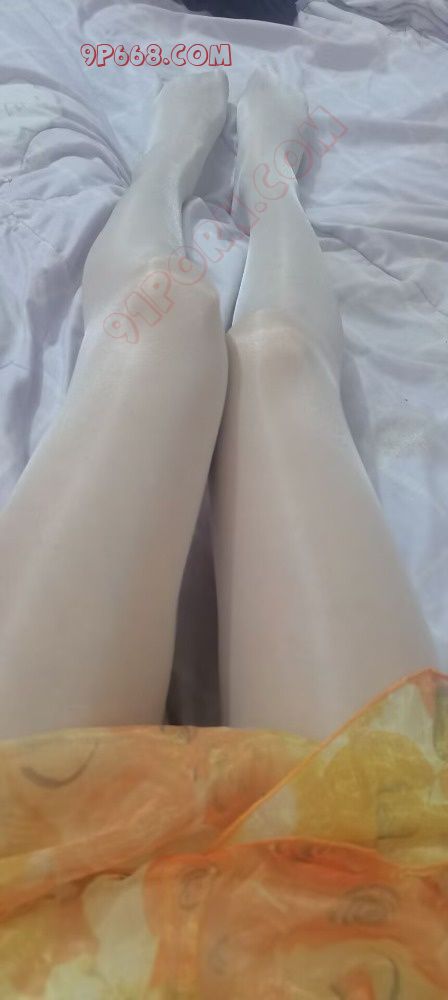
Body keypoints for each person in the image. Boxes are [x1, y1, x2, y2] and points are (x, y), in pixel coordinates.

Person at [0, 70, 446, 999]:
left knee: (162, 315)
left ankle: (189, 163)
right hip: (370, 927)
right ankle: (255, 173)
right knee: (275, 361)